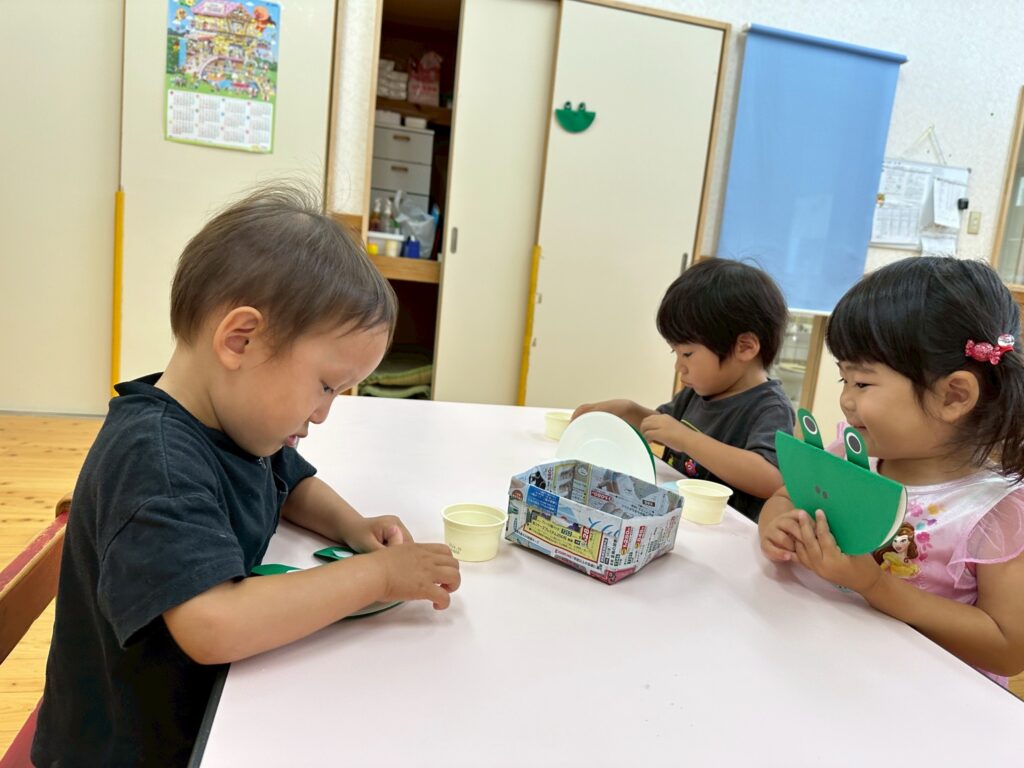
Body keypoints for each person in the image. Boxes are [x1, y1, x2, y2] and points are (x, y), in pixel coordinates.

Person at [32, 184, 461, 766]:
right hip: (130, 750)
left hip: (208, 715)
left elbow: (292, 482)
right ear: (241, 340)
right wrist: (378, 577)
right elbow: (213, 622)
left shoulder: (234, 420)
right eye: (326, 385)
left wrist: (352, 526)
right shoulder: (155, 460)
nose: (323, 413)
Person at [758, 256, 1024, 686]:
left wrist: (876, 586)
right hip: (833, 665)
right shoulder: (851, 455)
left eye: (862, 383)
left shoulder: (997, 510)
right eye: (844, 380)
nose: (846, 400)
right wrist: (777, 526)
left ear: (953, 396)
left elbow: (1008, 647)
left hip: (927, 696)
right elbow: (785, 497)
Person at [574, 258, 794, 520]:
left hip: (727, 533)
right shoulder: (698, 392)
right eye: (675, 353)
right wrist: (628, 411)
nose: (679, 366)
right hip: (680, 521)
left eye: (687, 354)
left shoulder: (770, 407)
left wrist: (687, 439)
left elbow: (770, 478)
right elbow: (663, 428)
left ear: (745, 347)